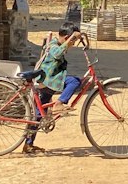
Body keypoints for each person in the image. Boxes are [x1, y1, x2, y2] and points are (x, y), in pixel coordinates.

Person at [22, 22, 83, 156]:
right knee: (74, 81)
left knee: (38, 114)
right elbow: (57, 54)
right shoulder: (54, 45)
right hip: (49, 81)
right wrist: (72, 38)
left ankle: (28, 144)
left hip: (48, 81)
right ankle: (59, 103)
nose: (72, 44)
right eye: (71, 41)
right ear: (67, 37)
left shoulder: (56, 43)